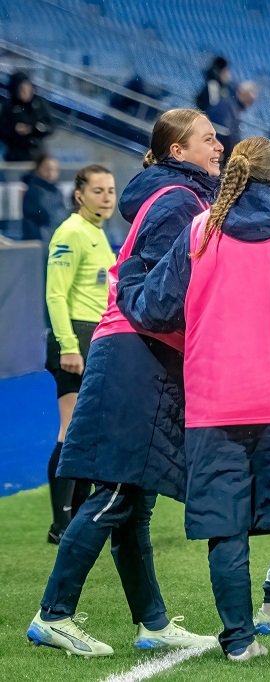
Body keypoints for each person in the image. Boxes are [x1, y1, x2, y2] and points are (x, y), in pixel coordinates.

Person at [121, 135, 270, 661]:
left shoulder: (199, 231)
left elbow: (154, 308)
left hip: (215, 404)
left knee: (224, 529)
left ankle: (238, 641)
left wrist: (129, 275)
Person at [27, 109, 222, 657]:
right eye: (209, 138)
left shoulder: (177, 197)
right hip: (138, 351)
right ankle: (54, 613)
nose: (220, 145)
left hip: (135, 349)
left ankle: (152, 622)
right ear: (178, 151)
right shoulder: (181, 203)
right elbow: (158, 294)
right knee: (116, 488)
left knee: (133, 497)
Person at [42, 165, 116, 544]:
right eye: (98, 191)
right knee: (70, 430)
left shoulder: (98, 234)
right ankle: (61, 524)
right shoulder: (70, 233)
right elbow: (56, 293)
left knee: (86, 432)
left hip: (95, 337)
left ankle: (75, 521)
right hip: (74, 337)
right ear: (79, 195)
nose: (106, 197)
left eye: (110, 190)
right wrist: (68, 346)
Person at [1, 72, 53, 162]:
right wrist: (15, 130)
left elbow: (51, 126)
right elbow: (2, 130)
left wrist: (33, 128)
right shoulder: (8, 107)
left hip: (38, 154)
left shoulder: (39, 103)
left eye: (28, 88)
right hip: (15, 155)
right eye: (21, 89)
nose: (26, 92)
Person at [21, 154, 65, 242]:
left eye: (54, 170)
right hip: (40, 241)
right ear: (38, 169)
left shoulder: (57, 191)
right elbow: (46, 216)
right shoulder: (34, 191)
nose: (51, 173)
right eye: (47, 169)